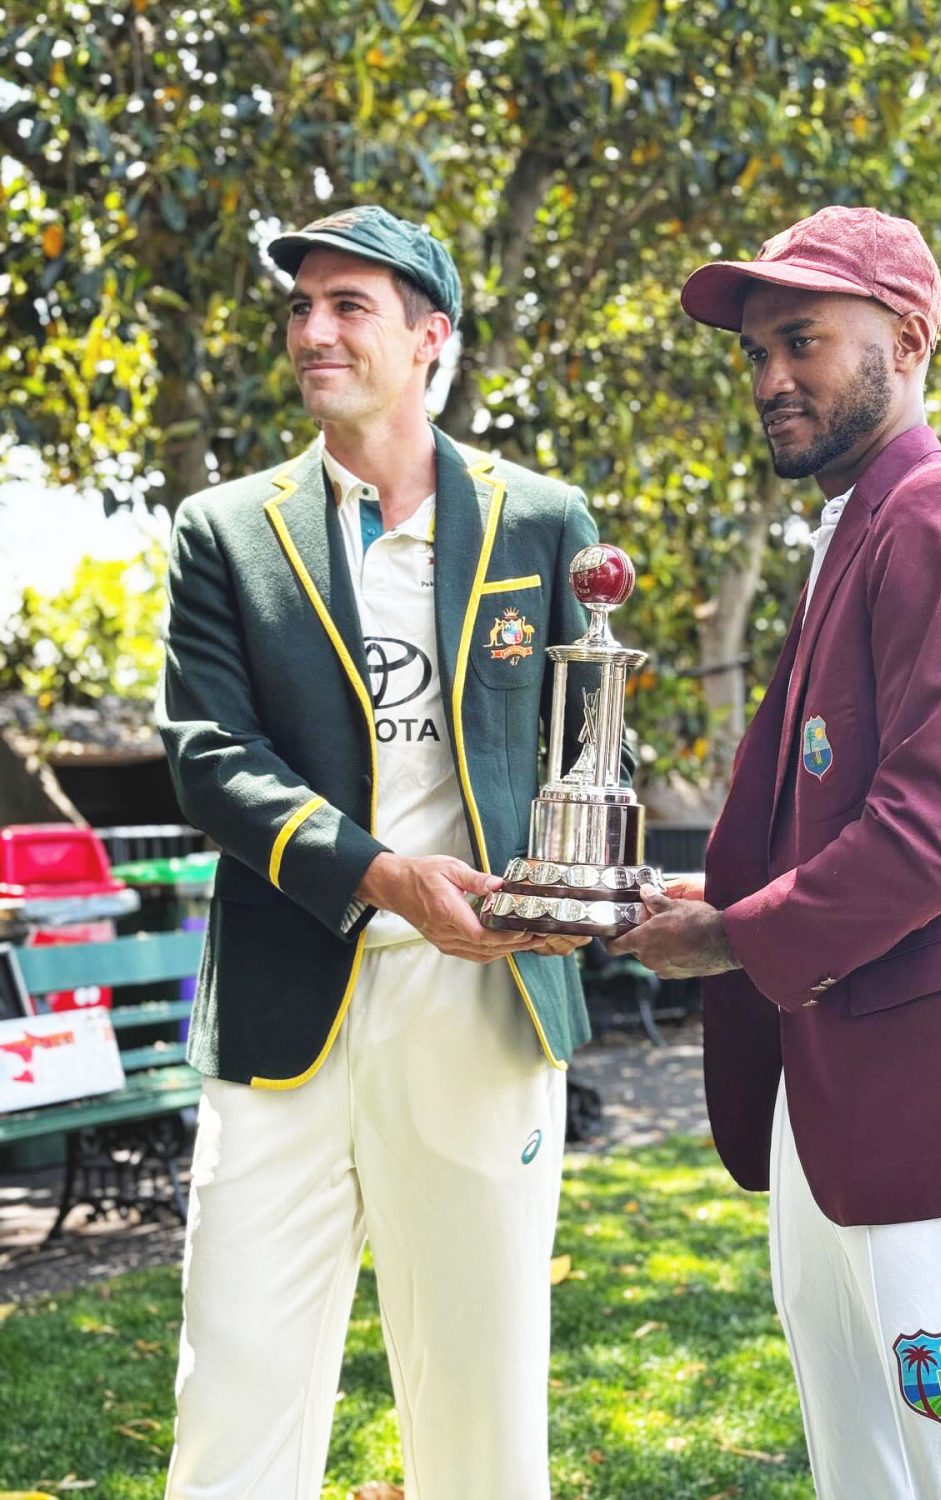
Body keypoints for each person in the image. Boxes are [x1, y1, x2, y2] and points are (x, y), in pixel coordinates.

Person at [611, 205, 941, 1499]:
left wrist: (734, 936)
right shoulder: (862, 527)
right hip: (847, 1092)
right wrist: (719, 896)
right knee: (867, 1470)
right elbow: (843, 817)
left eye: (801, 339)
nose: (769, 379)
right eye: (754, 353)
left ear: (908, 338)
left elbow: (930, 834)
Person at [157, 204, 602, 1500]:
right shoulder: (224, 530)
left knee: (481, 1408)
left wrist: (587, 902)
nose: (313, 329)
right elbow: (207, 755)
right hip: (285, 1008)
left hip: (481, 1004)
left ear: (430, 339)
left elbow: (590, 759)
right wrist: (376, 873)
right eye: (300, 306)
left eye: (349, 304)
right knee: (233, 1389)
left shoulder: (544, 524)